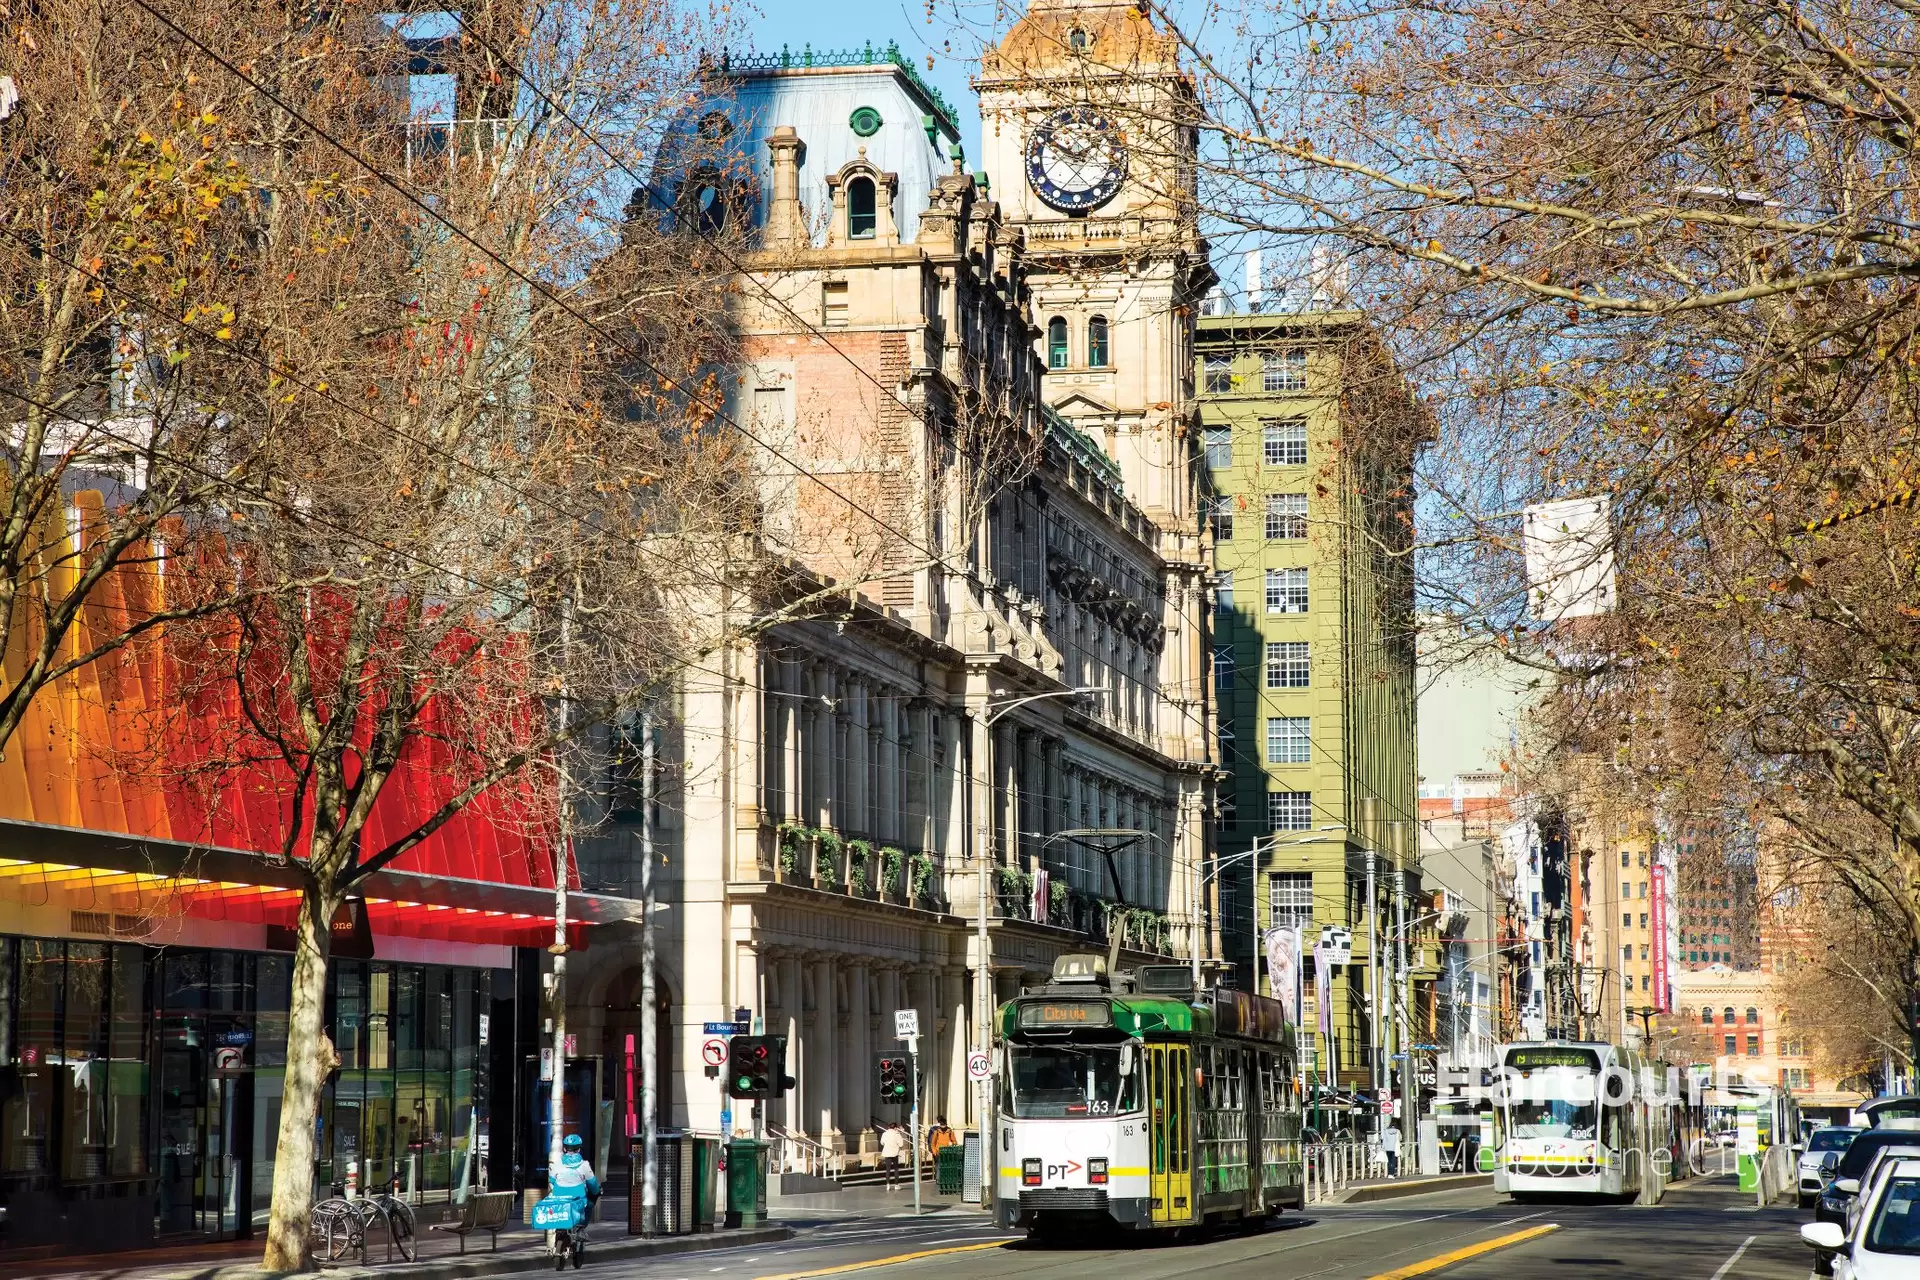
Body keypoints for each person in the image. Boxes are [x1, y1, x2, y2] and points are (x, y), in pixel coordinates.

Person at [550, 1133, 601, 1227]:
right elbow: (592, 1184)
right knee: (590, 1203)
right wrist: (597, 1192)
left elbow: (552, 1181)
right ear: (579, 1149)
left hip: (559, 1199)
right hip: (579, 1199)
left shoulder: (557, 1164)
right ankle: (581, 1227)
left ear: (564, 1149)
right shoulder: (584, 1165)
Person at [879, 1122, 909, 1189]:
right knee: (896, 1169)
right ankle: (896, 1185)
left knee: (888, 1169)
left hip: (887, 1153)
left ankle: (888, 1185)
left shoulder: (885, 1133)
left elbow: (882, 1143)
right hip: (895, 1153)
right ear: (895, 1128)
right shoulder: (897, 1134)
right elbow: (901, 1144)